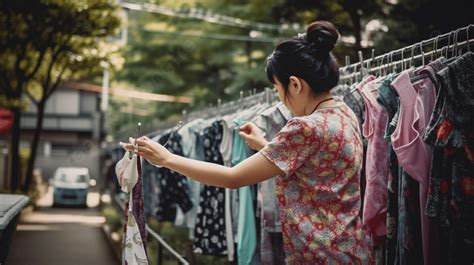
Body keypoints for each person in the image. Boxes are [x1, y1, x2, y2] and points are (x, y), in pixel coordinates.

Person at [121, 21, 373, 264]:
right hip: (350, 249)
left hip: (319, 256)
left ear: (294, 84)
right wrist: (265, 145)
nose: (279, 96)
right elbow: (317, 170)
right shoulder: (343, 113)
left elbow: (233, 178)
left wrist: (167, 158)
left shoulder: (304, 127)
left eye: (277, 87)